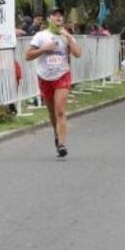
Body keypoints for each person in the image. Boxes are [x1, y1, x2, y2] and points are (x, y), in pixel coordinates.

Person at [26, 8, 82, 158]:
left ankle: (62, 144)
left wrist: (69, 38)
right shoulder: (41, 36)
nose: (58, 18)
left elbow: (78, 54)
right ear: (49, 18)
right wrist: (44, 49)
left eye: (60, 16)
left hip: (62, 75)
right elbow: (28, 55)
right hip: (44, 76)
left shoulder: (66, 35)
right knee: (52, 113)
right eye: (55, 15)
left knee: (60, 110)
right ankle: (56, 134)